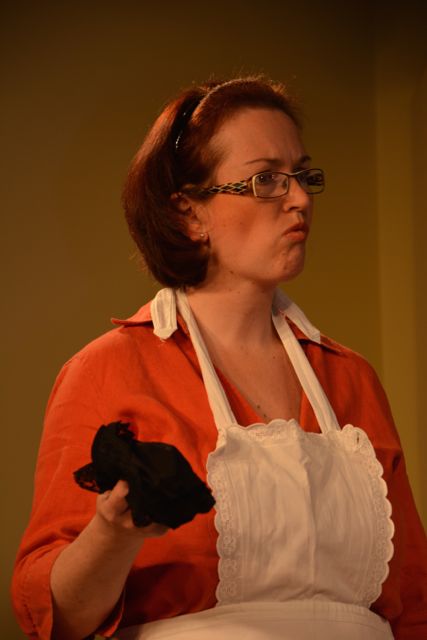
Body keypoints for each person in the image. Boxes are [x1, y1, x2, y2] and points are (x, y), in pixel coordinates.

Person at [11, 76, 427, 640]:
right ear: (189, 213)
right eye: (265, 180)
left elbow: (415, 604)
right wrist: (114, 531)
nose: (300, 199)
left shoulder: (353, 378)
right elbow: (57, 620)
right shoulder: (106, 371)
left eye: (302, 176)